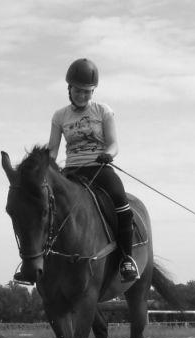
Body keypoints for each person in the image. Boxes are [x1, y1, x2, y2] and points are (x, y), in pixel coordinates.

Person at [48, 58, 139, 283]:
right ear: (69, 89)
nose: (82, 96)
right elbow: (52, 151)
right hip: (72, 171)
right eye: (78, 91)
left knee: (121, 204)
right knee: (47, 208)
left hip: (99, 168)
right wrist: (46, 169)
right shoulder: (60, 116)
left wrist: (109, 153)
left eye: (88, 92)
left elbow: (114, 143)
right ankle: (42, 259)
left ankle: (126, 259)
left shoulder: (103, 111)